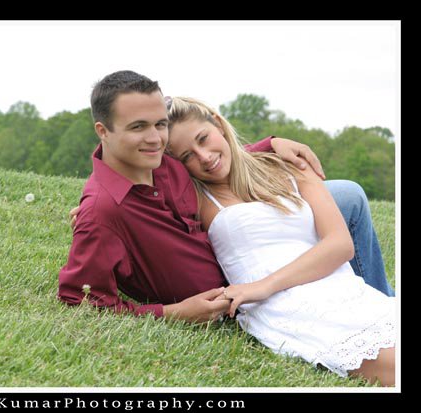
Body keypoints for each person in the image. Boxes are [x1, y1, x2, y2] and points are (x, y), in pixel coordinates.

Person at [58, 69, 392, 325]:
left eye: (159, 125)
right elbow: (81, 299)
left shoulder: (160, 160)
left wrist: (270, 144)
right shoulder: (103, 211)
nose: (154, 138)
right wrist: (174, 312)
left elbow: (206, 154)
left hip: (238, 245)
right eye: (137, 127)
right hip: (233, 286)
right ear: (104, 131)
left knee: (346, 195)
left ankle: (381, 302)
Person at [164, 96, 395, 386]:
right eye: (187, 156)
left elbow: (340, 244)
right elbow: (131, 157)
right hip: (284, 308)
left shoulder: (288, 166)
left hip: (335, 285)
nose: (204, 157)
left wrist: (263, 286)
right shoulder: (195, 197)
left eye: (203, 138)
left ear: (219, 124)